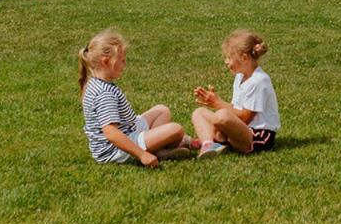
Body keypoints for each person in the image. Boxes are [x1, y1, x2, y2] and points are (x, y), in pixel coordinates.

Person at [78, 29, 191, 166]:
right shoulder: (104, 94)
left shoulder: (96, 83)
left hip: (128, 129)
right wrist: (142, 154)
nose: (124, 65)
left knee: (162, 110)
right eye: (122, 61)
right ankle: (157, 151)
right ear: (106, 61)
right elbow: (111, 132)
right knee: (176, 130)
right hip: (117, 149)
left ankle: (158, 146)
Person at [191, 29, 280, 158]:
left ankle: (216, 139)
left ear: (244, 58)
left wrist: (217, 103)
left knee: (222, 115)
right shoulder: (240, 78)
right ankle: (208, 144)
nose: (226, 62)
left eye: (229, 58)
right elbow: (235, 110)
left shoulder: (259, 80)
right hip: (241, 129)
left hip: (257, 136)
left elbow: (245, 117)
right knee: (199, 113)